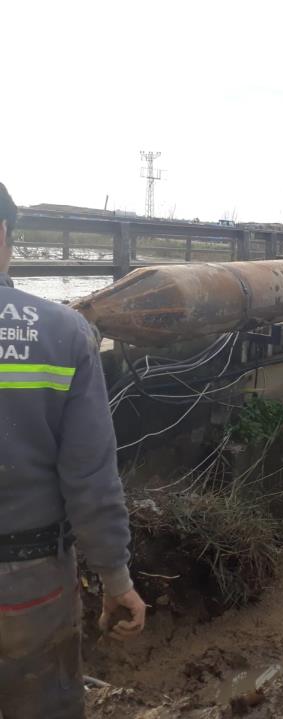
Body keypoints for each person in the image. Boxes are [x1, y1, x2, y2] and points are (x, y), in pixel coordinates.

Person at [0, 182, 146, 718]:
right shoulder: (63, 333)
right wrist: (116, 579)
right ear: (5, 236)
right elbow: (90, 477)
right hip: (28, 583)